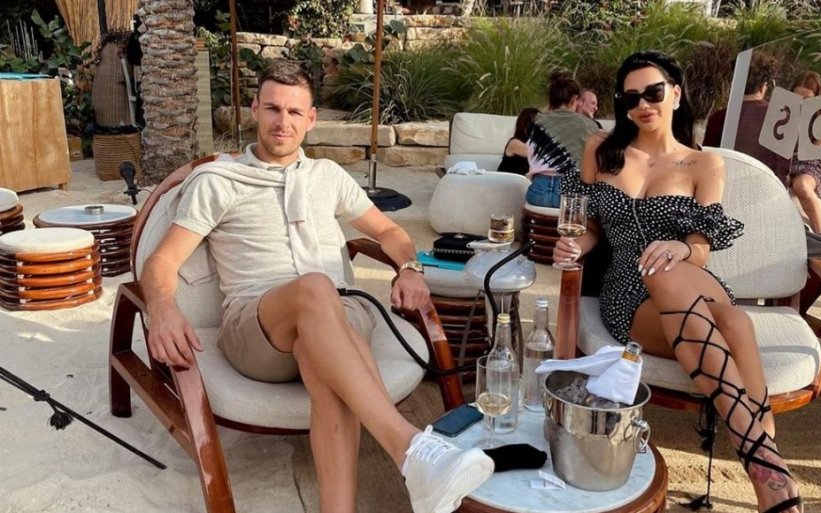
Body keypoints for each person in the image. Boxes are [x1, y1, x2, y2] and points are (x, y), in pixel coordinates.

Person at [141, 60, 493, 513]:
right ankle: (409, 448)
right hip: (257, 329)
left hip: (338, 317)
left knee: (323, 355)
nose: (282, 122)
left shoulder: (328, 176)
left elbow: (390, 232)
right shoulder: (218, 181)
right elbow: (162, 261)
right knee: (314, 288)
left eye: (294, 112)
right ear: (254, 109)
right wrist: (163, 307)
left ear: (310, 119)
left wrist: (409, 268)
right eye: (272, 108)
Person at [556, 50, 801, 513]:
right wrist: (574, 247)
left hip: (690, 277)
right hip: (629, 292)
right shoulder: (601, 150)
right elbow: (589, 230)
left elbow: (702, 249)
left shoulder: (704, 164)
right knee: (734, 322)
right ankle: (767, 460)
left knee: (671, 271)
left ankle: (759, 463)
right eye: (630, 98)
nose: (642, 105)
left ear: (675, 94)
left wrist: (681, 248)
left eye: (652, 93)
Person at [702, 52, 791, 184]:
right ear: (763, 86)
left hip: (729, 189)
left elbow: (708, 163)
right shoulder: (782, 118)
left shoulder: (718, 118)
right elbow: (783, 167)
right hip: (769, 189)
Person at [525, 72, 600, 208]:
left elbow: (530, 157)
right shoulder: (590, 125)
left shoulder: (534, 123)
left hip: (537, 191)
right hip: (571, 193)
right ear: (574, 99)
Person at [789, 70, 821, 234]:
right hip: (785, 159)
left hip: (809, 162)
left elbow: (817, 147)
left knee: (801, 186)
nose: (801, 103)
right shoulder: (784, 110)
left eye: (807, 99)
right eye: (797, 98)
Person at [498, 107, 540, 175]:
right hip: (507, 180)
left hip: (524, 180)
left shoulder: (537, 143)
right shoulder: (514, 143)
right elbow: (534, 154)